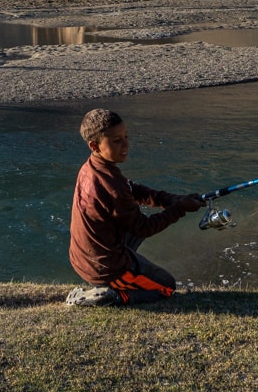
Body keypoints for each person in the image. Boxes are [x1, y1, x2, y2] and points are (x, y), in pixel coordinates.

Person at [66, 108, 203, 306]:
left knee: (135, 229)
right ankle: (112, 295)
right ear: (94, 145)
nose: (126, 144)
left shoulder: (92, 167)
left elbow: (134, 190)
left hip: (83, 258)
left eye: (126, 136)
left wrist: (173, 199)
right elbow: (144, 227)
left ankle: (127, 272)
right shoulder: (112, 186)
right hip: (104, 268)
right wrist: (180, 209)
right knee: (166, 286)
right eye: (117, 141)